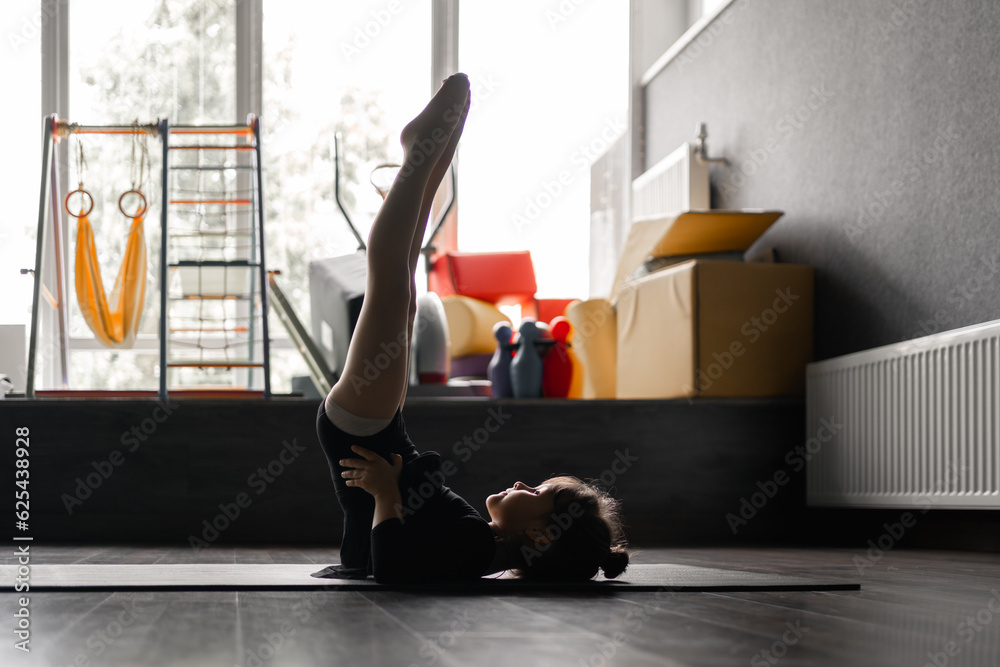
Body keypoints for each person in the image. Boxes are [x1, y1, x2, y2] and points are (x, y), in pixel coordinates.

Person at [314, 73, 629, 584]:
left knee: (391, 280)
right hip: (370, 431)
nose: (524, 484)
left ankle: (424, 158)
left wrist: (387, 495)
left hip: (365, 433)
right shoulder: (478, 545)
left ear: (541, 535)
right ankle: (428, 158)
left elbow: (392, 573)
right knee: (399, 287)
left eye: (537, 493)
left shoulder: (475, 549)